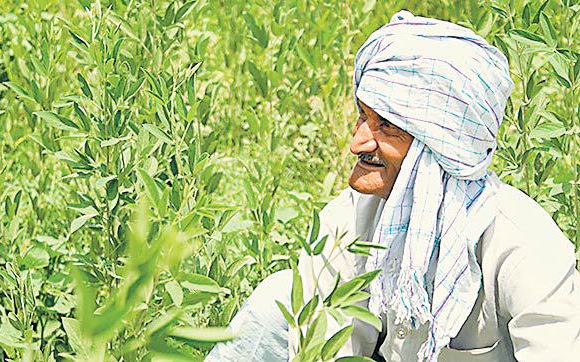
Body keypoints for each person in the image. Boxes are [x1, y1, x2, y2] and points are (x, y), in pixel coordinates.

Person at [206, 10, 580, 362]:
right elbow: (327, 351)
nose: (357, 143)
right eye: (361, 116)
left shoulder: (524, 246)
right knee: (275, 302)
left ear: (441, 147)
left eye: (387, 126)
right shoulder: (347, 222)